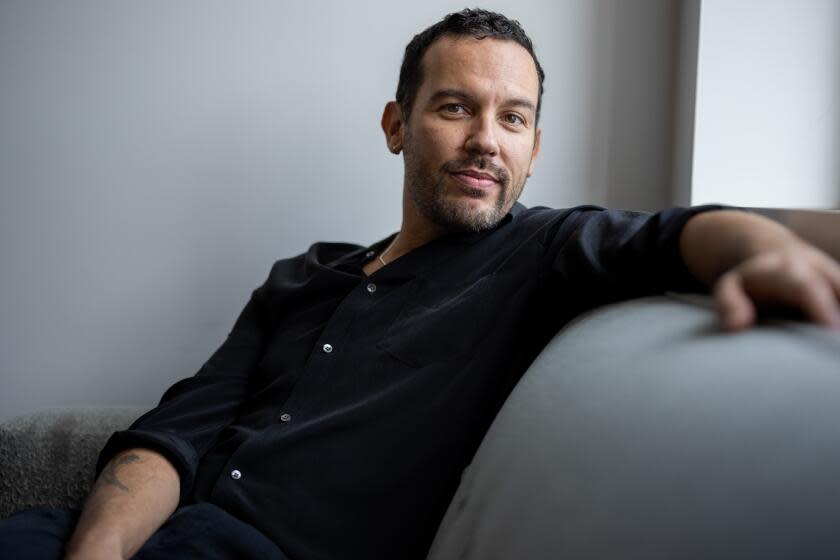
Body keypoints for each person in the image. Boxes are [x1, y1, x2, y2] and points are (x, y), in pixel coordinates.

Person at [3, 7, 840, 560]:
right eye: (455, 108)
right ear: (397, 125)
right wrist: (97, 552)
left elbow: (674, 233)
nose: (487, 139)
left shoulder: (541, 253)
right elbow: (175, 435)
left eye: (513, 118)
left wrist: (766, 249)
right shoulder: (303, 275)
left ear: (534, 149)